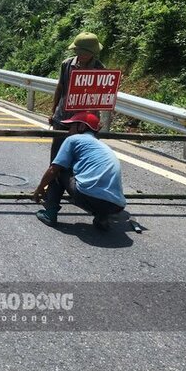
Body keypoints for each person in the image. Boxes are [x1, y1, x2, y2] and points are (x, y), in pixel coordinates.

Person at [32, 112, 126, 231]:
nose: (69, 131)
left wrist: (39, 189)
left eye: (71, 127)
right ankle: (102, 217)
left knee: (60, 171)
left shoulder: (73, 139)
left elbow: (53, 169)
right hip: (116, 205)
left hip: (90, 197)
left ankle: (50, 213)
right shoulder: (102, 146)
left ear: (81, 127)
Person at [49, 32, 105, 161]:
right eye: (80, 52)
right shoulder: (67, 65)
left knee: (82, 157)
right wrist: (53, 111)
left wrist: (85, 120)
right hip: (63, 116)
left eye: (87, 52)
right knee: (57, 155)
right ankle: (55, 181)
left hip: (87, 121)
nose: (83, 55)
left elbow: (99, 96)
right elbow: (60, 88)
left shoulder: (100, 69)